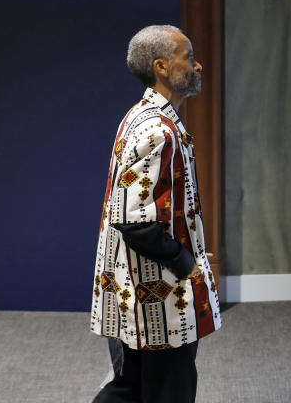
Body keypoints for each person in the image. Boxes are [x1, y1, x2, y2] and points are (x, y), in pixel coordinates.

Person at [90, 25, 222, 403]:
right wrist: (186, 264)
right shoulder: (157, 130)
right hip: (155, 292)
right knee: (168, 389)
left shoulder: (141, 116)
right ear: (162, 66)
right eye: (188, 58)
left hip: (140, 285)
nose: (197, 67)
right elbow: (135, 220)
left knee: (130, 387)